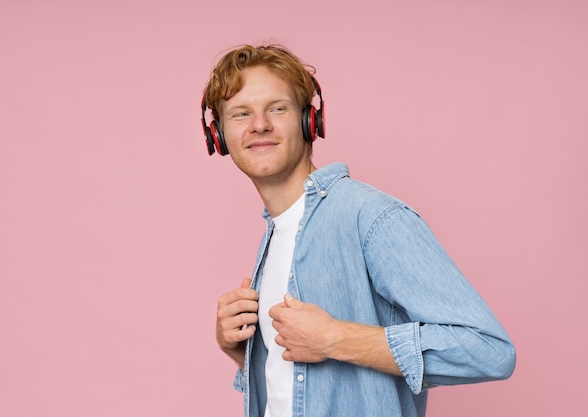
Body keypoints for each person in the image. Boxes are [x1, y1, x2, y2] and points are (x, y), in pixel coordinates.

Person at [202, 44, 515, 417]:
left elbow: (489, 351)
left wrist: (334, 338)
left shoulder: (369, 217)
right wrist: (244, 354)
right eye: (240, 114)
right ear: (218, 136)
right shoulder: (278, 232)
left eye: (277, 108)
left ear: (309, 121)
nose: (259, 125)